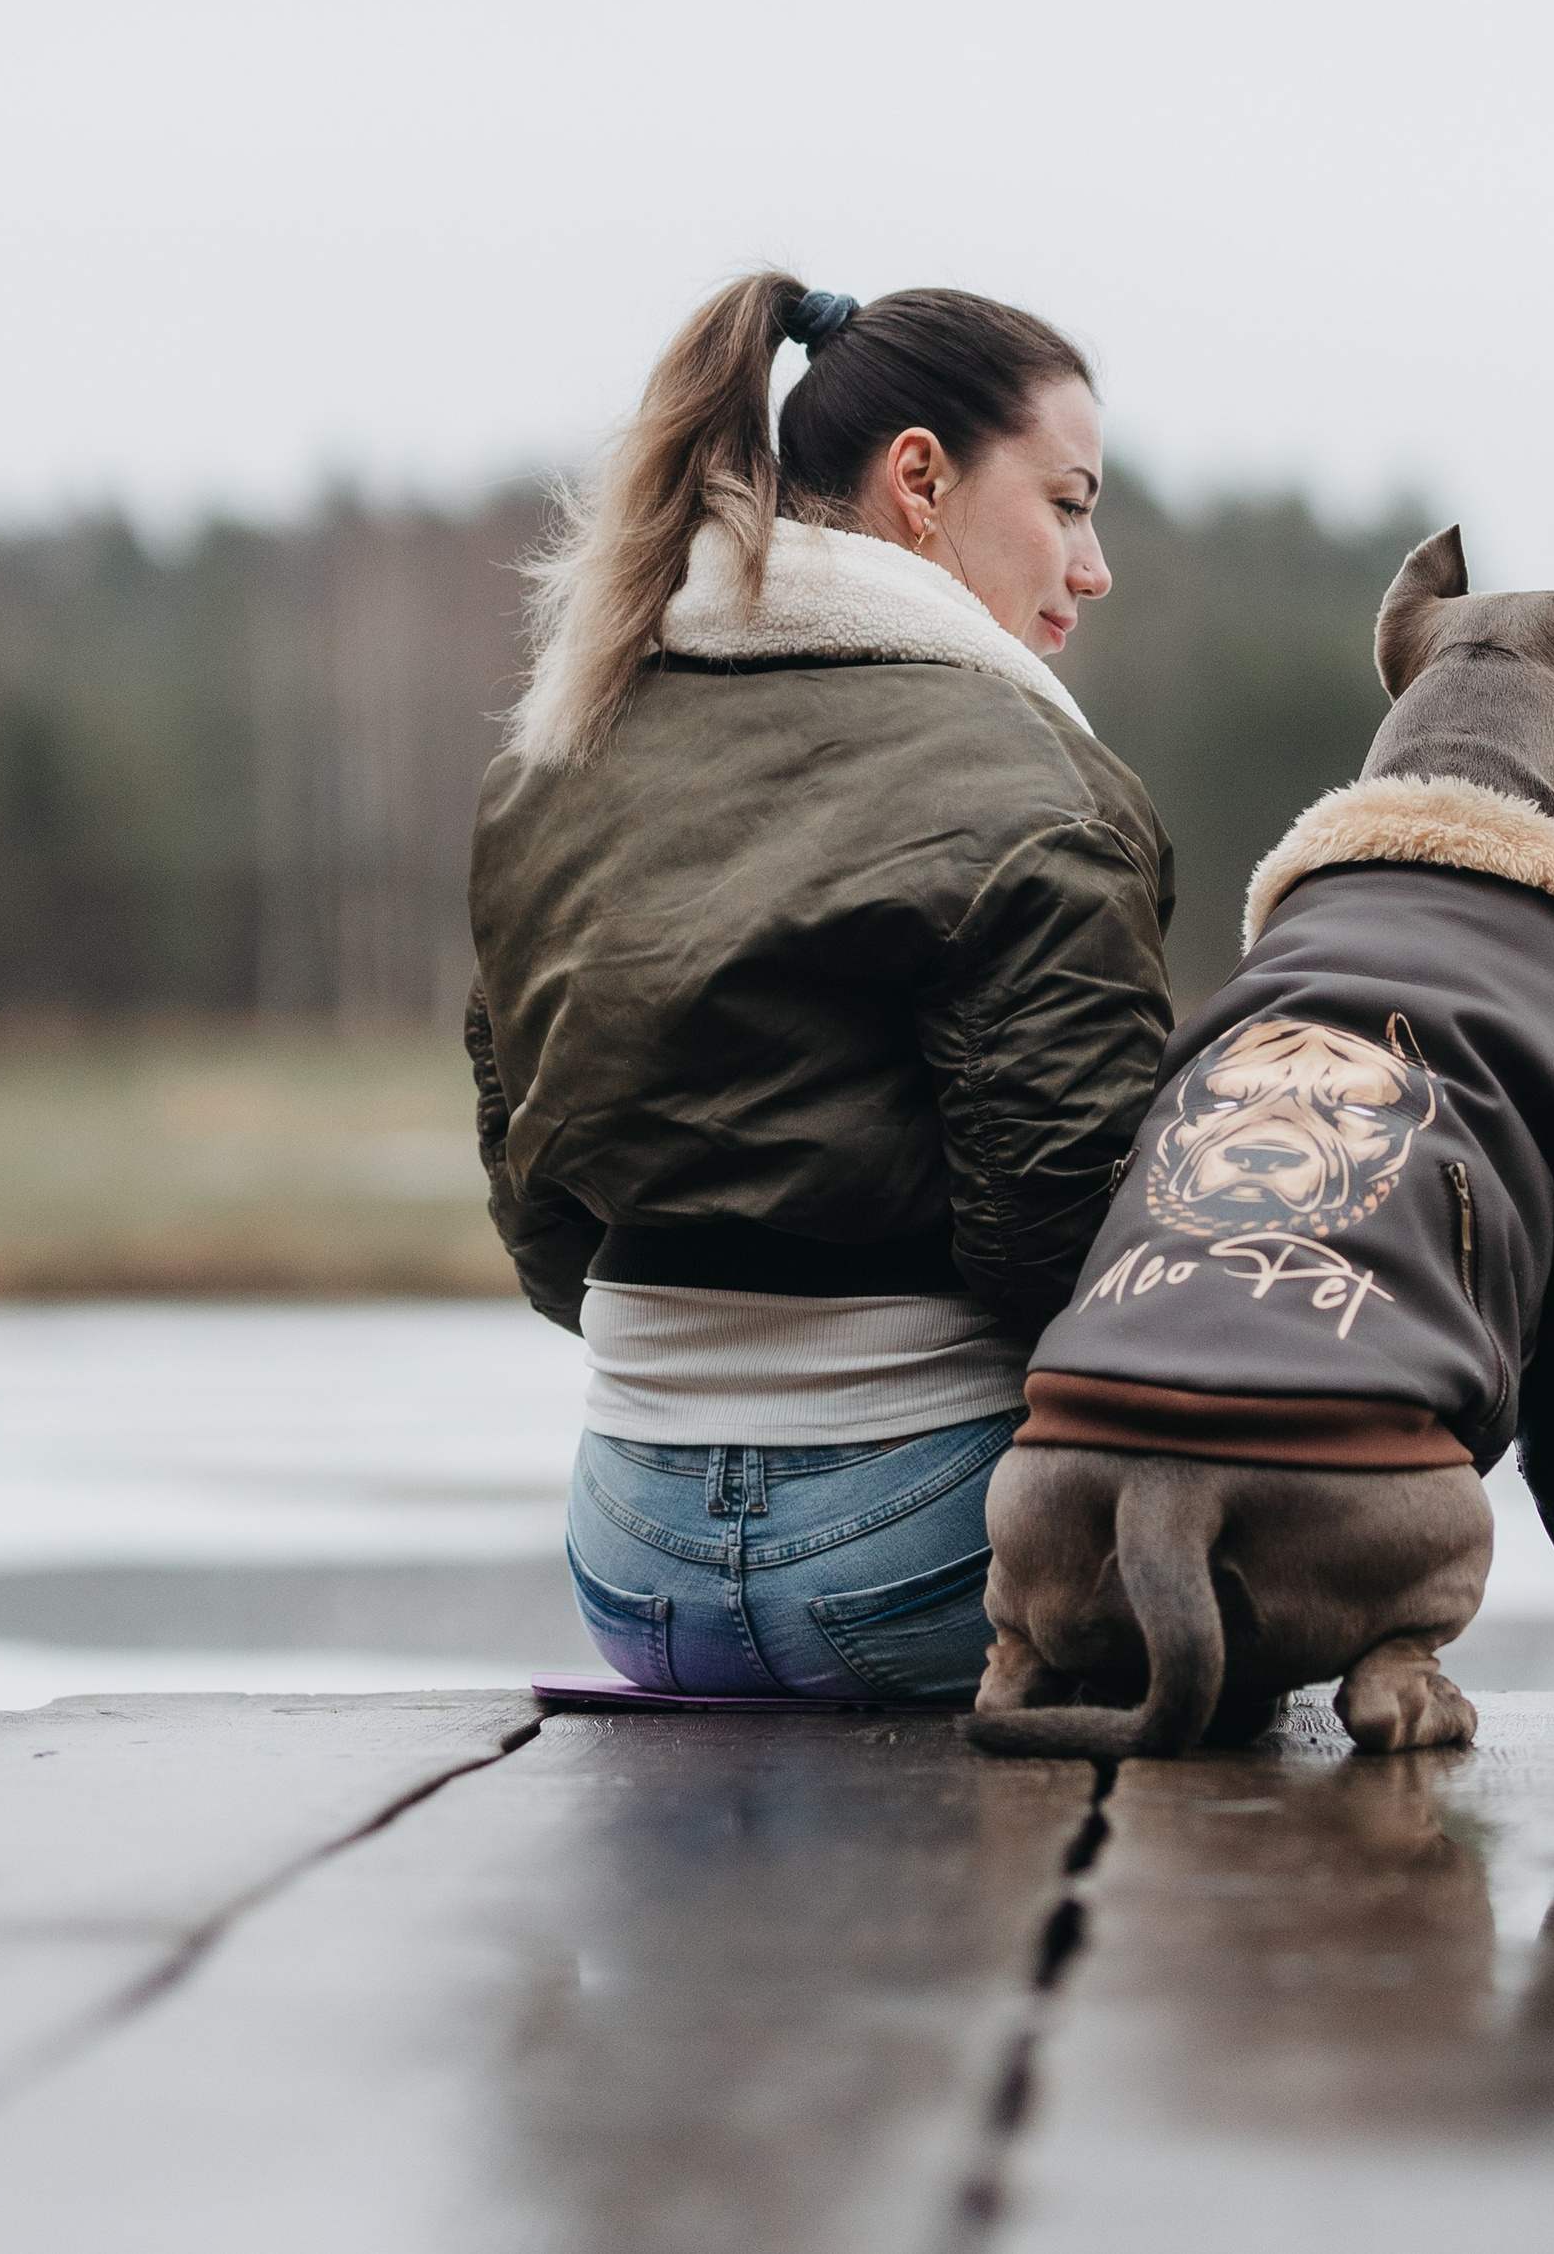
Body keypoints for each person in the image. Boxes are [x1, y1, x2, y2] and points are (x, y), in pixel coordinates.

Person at [465, 273, 1174, 1701]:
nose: (1091, 565)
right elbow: (1071, 1258)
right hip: (926, 1567)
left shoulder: (560, 753)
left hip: (627, 1561)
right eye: (1070, 500)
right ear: (921, 478)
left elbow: (540, 1212)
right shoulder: (1040, 783)